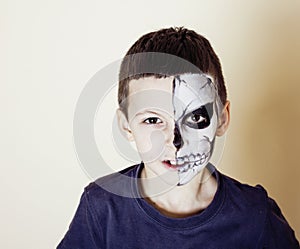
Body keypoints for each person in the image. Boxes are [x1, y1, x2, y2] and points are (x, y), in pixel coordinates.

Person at [57, 27, 299, 248]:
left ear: (222, 119)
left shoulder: (255, 214)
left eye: (194, 118)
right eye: (152, 120)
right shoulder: (101, 208)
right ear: (126, 126)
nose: (175, 142)